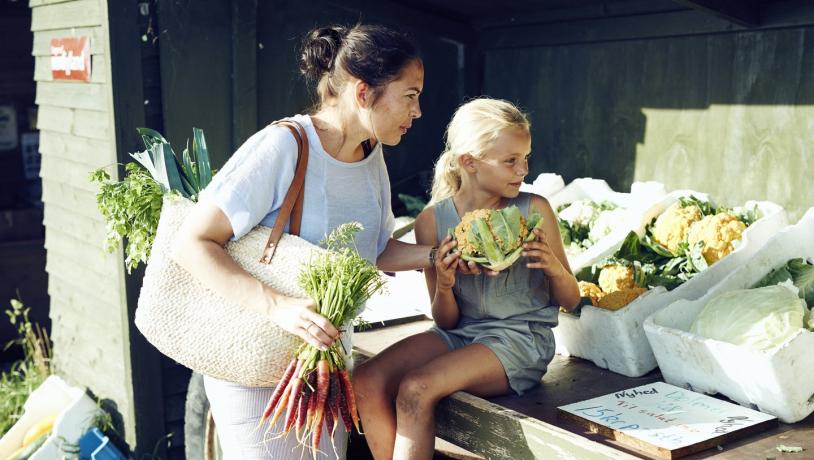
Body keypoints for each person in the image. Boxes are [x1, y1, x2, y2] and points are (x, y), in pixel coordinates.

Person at [173, 24, 445, 459]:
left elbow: (374, 252)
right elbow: (192, 242)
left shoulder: (371, 157)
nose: (418, 111)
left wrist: (436, 256)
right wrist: (277, 307)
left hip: (325, 369)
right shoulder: (283, 145)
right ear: (363, 92)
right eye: (410, 95)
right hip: (256, 369)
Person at [353, 98, 581, 460]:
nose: (522, 169)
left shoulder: (534, 209)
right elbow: (446, 321)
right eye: (510, 161)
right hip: (457, 334)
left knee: (415, 388)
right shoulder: (432, 221)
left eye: (525, 158)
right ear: (469, 162)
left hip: (518, 341)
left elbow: (573, 301)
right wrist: (444, 284)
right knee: (365, 380)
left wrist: (552, 266)